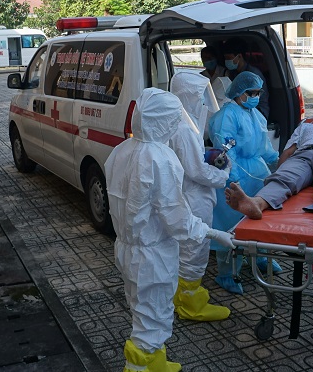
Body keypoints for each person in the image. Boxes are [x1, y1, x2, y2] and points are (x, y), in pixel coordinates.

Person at [105, 88, 235, 372]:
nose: (177, 124)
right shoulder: (160, 158)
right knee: (154, 315)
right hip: (153, 253)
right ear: (163, 121)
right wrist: (212, 233)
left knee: (142, 310)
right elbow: (176, 218)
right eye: (174, 119)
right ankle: (140, 367)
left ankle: (154, 361)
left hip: (127, 247)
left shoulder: (122, 150)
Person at [225, 96, 313, 227]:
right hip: (302, 156)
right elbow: (289, 151)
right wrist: (279, 171)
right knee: (283, 177)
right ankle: (257, 203)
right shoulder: (306, 126)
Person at [208, 71, 280, 294]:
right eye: (251, 93)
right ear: (239, 92)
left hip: (257, 170)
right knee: (232, 225)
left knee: (259, 219)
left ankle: (258, 257)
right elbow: (225, 150)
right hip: (235, 173)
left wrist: (278, 161)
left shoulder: (255, 114)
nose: (255, 97)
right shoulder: (226, 116)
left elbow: (264, 145)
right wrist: (234, 179)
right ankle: (227, 273)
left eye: (258, 93)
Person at [168, 72, 231, 322]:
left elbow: (189, 159)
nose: (204, 101)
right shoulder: (184, 128)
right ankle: (191, 305)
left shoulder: (181, 121)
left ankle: (181, 296)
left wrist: (206, 154)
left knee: (185, 248)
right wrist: (223, 174)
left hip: (186, 194)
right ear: (188, 96)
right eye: (199, 96)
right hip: (193, 197)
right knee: (195, 248)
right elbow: (196, 171)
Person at [223, 37, 270, 119]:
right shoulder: (232, 73)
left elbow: (257, 100)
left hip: (257, 111)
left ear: (239, 56)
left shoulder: (253, 75)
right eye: (225, 58)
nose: (227, 61)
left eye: (229, 58)